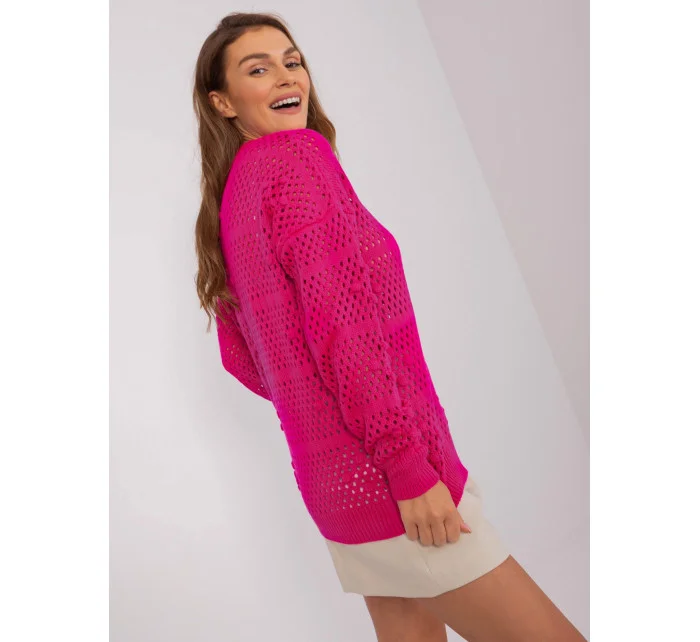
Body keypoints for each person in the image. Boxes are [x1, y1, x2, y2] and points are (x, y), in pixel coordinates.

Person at [192, 12, 586, 642]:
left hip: (336, 490)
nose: (287, 77)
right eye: (258, 69)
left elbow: (247, 359)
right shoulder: (296, 160)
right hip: (395, 485)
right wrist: (405, 464)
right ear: (223, 101)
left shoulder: (234, 193)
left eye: (293, 61)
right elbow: (342, 336)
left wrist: (318, 405)